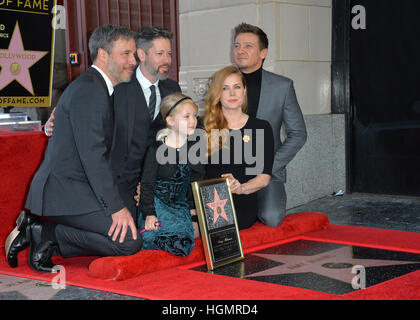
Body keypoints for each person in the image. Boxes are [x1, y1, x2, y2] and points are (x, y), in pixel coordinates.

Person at [5, 25, 141, 273]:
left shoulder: (99, 86)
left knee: (132, 222)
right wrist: (115, 207)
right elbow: (93, 155)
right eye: (127, 54)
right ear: (103, 54)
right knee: (128, 241)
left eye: (134, 54)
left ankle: (43, 234)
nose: (134, 60)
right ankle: (45, 233)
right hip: (65, 191)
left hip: (79, 186)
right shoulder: (91, 90)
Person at [42, 26, 181, 223]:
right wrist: (52, 125)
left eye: (169, 53)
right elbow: (86, 121)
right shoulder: (117, 82)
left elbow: (184, 126)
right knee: (131, 239)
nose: (167, 59)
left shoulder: (172, 88)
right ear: (141, 54)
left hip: (155, 180)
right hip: (118, 182)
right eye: (160, 53)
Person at [232, 23, 307, 227]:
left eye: (248, 46)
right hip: (229, 168)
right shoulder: (223, 83)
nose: (240, 50)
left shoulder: (282, 86)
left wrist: (269, 167)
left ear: (263, 52)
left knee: (272, 217)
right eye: (237, 45)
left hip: (267, 168)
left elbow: (298, 133)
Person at [203, 65, 275, 230]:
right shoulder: (203, 127)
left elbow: (264, 177)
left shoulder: (261, 128)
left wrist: (241, 188)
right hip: (208, 200)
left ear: (244, 90)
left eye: (237, 87)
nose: (232, 93)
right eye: (225, 88)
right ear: (217, 94)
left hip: (243, 200)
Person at [137, 93, 205, 256]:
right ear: (170, 121)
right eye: (186, 116)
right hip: (157, 205)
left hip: (180, 208)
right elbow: (147, 185)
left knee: (183, 244)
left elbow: (196, 179)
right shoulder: (155, 149)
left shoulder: (194, 148)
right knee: (151, 237)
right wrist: (149, 214)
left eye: (194, 116)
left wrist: (192, 206)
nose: (193, 121)